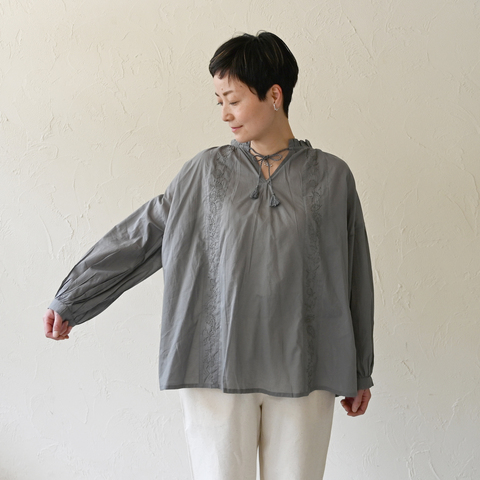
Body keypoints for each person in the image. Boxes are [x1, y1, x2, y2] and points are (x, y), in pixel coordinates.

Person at [43, 31, 374, 480]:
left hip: (306, 366)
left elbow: (356, 276)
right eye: (219, 101)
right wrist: (73, 297)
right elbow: (145, 232)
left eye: (233, 100)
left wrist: (359, 369)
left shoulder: (333, 177)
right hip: (216, 364)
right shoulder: (205, 172)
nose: (224, 114)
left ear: (274, 95)